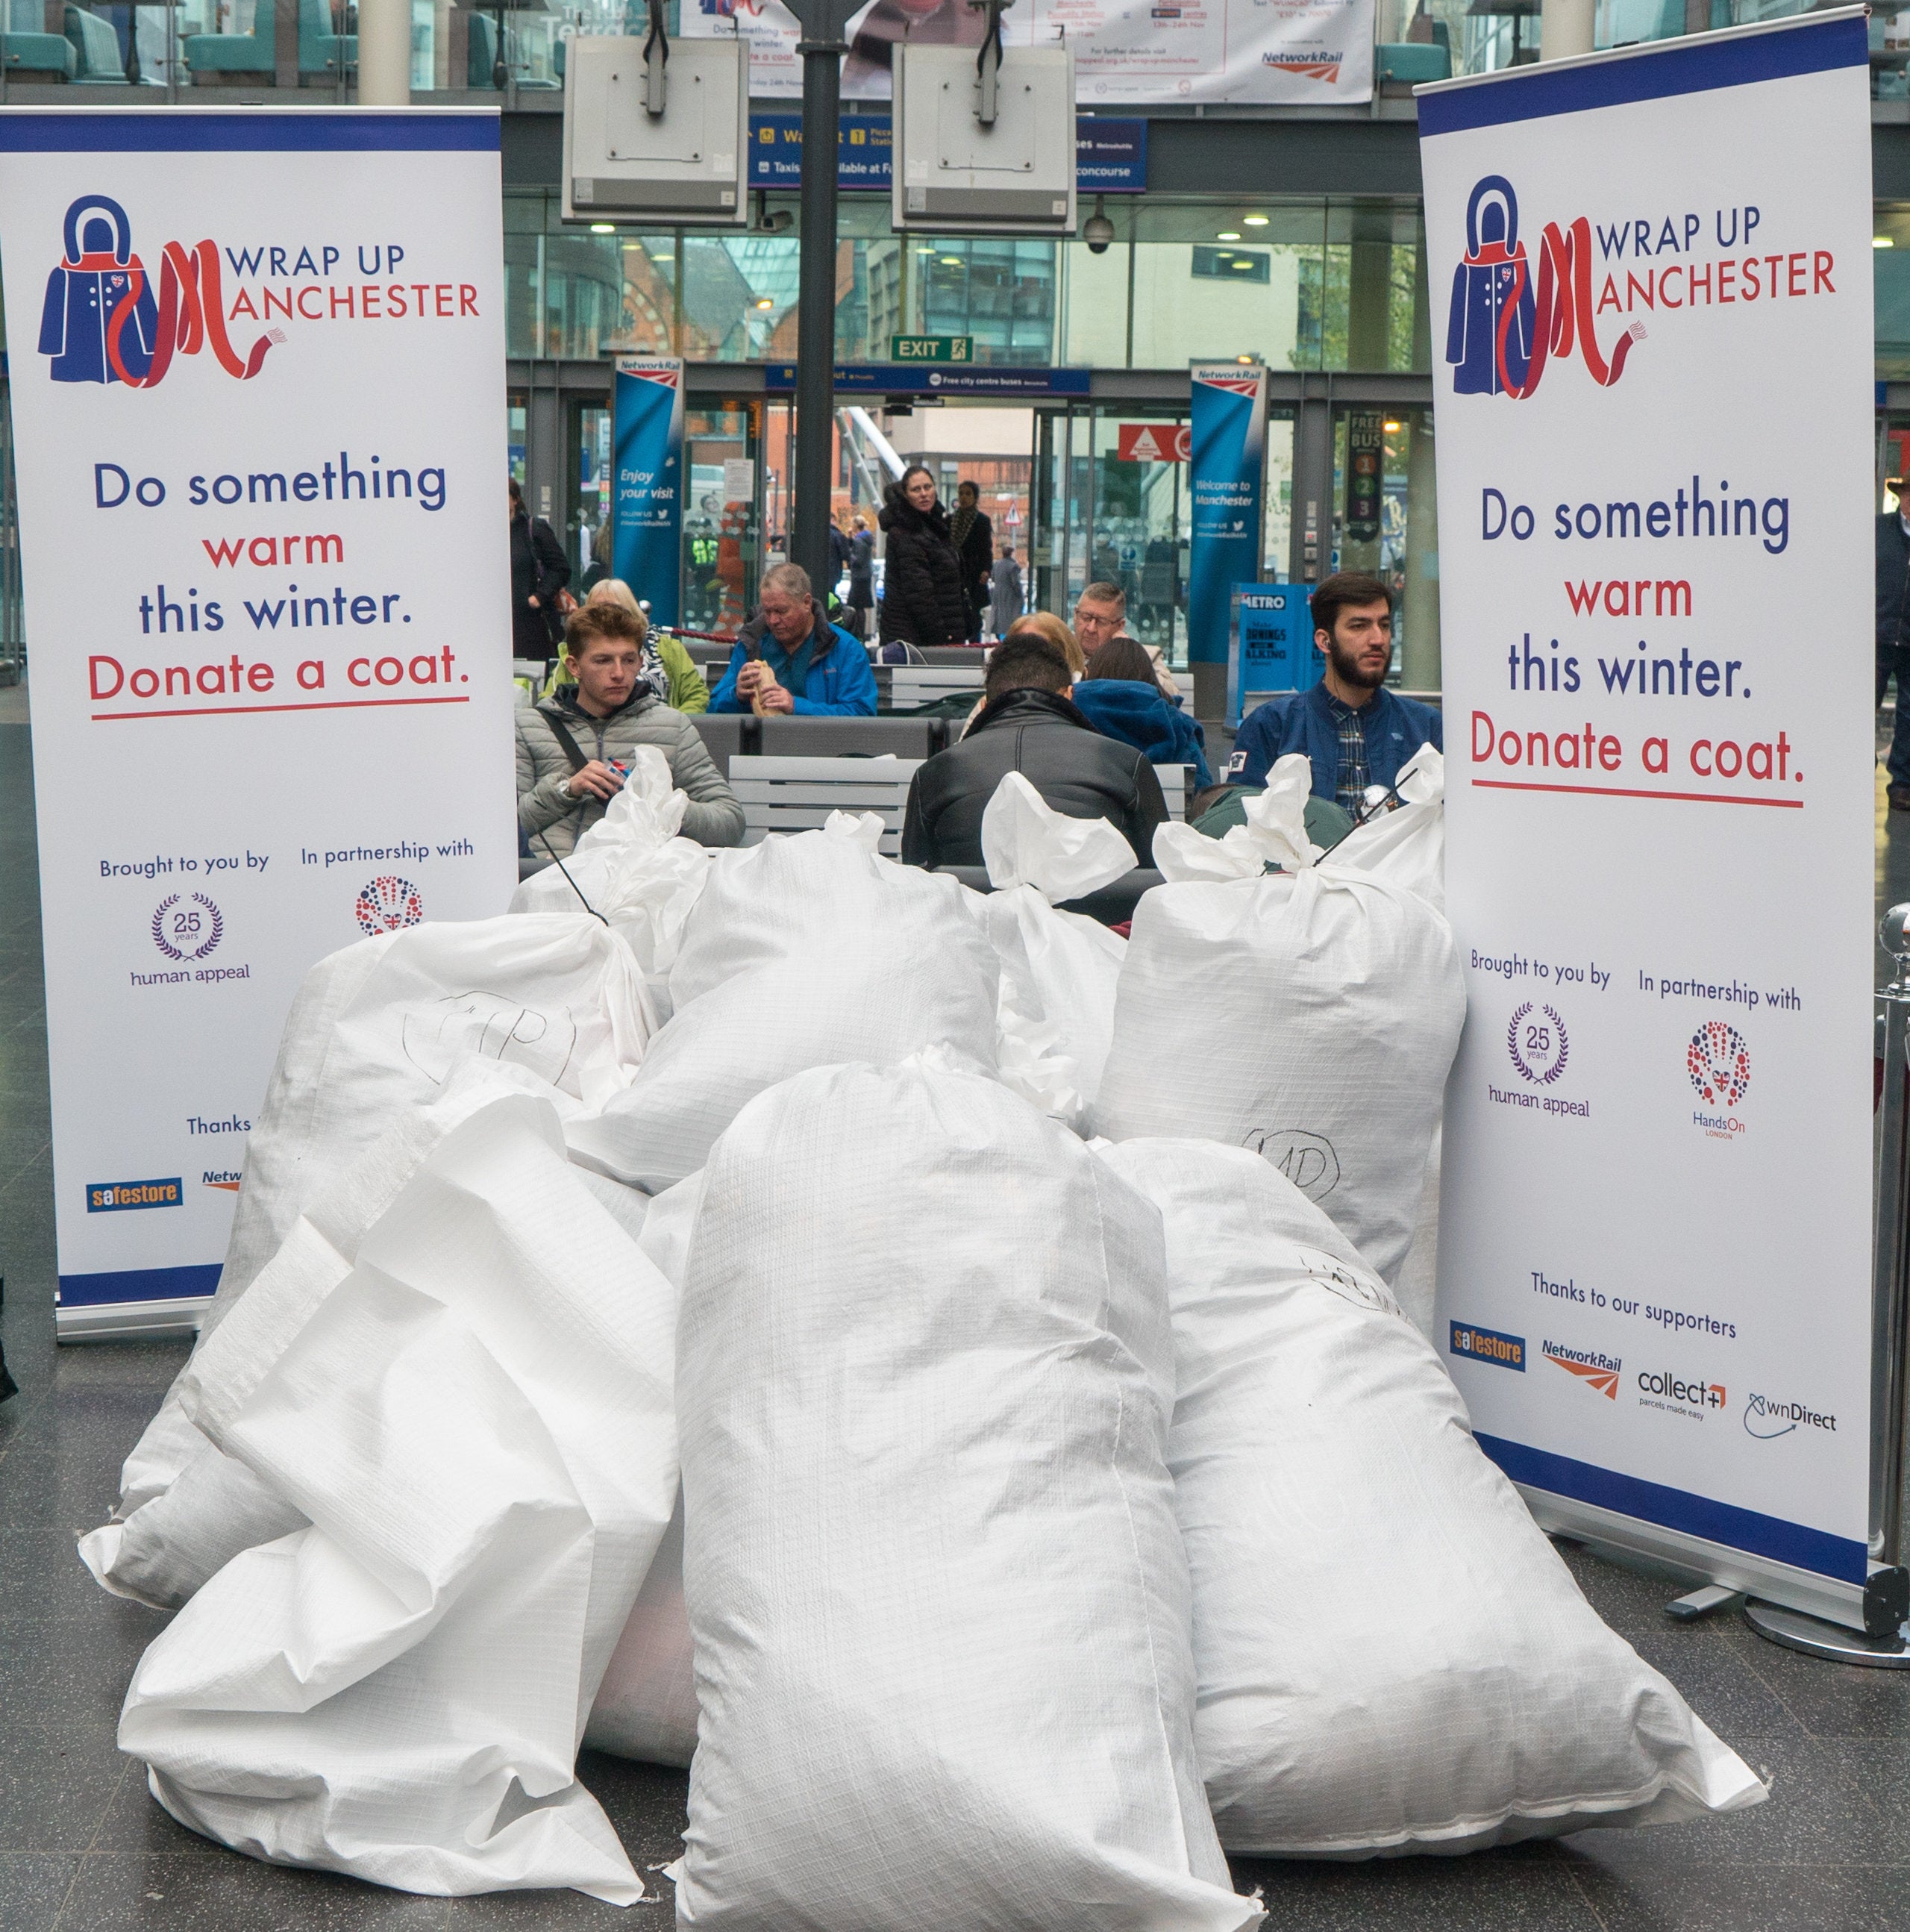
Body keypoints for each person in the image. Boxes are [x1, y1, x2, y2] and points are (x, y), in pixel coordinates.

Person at [902, 630, 1168, 869]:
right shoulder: (1125, 763)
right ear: (1069, 697)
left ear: (985, 705)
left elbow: (917, 877)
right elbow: (1159, 870)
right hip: (1093, 919)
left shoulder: (935, 773)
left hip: (974, 918)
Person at [517, 600, 745, 861]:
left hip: (637, 879)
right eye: (603, 661)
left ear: (640, 662)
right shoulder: (530, 726)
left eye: (628, 660)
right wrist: (566, 790)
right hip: (549, 878)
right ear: (574, 666)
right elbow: (504, 831)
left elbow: (730, 823)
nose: (618, 673)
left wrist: (663, 806)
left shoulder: (672, 727)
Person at [1229, 570, 1441, 812]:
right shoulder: (1272, 726)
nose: (1378, 639)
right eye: (1359, 626)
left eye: (1384, 625)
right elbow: (1239, 820)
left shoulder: (1427, 728)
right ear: (1324, 641)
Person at [709, 561, 879, 716]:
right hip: (761, 745)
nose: (773, 621)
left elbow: (862, 715)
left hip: (824, 748)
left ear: (806, 603)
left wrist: (796, 706)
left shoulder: (844, 648)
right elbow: (713, 709)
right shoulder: (751, 643)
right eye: (767, 612)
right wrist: (736, 695)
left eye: (782, 611)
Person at [539, 580, 711, 713]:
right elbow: (551, 699)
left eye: (629, 660)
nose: (618, 673)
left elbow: (696, 695)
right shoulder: (572, 650)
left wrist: (670, 727)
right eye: (598, 610)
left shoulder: (668, 647)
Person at [1069, 636, 1212, 789]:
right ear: (1151, 678)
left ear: (1088, 673)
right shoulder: (1179, 727)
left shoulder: (1069, 716)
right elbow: (1202, 790)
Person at [878, 465, 968, 653]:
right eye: (916, 490)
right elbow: (919, 594)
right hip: (916, 641)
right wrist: (943, 636)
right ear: (905, 494)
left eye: (928, 487)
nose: (924, 494)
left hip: (937, 635)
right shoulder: (904, 533)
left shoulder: (935, 526)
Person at [1072, 580, 1177, 700]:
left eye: (1102, 622)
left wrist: (1129, 657)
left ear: (1120, 625)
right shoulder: (1058, 648)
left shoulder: (1146, 656)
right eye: (1086, 618)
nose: (1091, 628)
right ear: (1076, 614)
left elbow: (1171, 695)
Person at [509, 478, 570, 664]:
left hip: (532, 624)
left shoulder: (533, 528)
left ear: (515, 499)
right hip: (495, 627)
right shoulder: (482, 533)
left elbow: (561, 568)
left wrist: (539, 597)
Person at [1879, 485, 1910, 810]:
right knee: (1860, 707)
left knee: (1909, 713)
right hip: (1877, 633)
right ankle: (1854, 769)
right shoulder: (1879, 530)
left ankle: (1901, 782)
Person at [951, 479, 995, 643]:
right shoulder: (951, 520)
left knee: (973, 616)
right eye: (961, 493)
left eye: (968, 494)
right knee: (957, 616)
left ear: (975, 497)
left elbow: (986, 549)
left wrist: (986, 571)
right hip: (955, 576)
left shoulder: (981, 521)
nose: (964, 497)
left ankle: (975, 651)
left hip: (974, 576)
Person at [988, 540, 1024, 638]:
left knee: (998, 615)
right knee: (1010, 615)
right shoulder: (1013, 566)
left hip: (998, 593)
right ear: (1011, 554)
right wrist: (1019, 594)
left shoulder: (997, 564)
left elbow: (993, 578)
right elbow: (1015, 582)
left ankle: (998, 634)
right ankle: (1011, 634)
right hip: (1010, 594)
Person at [847, 514, 875, 635]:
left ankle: (859, 633)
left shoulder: (859, 541)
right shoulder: (866, 538)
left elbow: (857, 559)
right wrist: (850, 539)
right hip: (866, 576)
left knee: (857, 606)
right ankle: (861, 633)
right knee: (861, 607)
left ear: (855, 526)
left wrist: (849, 555)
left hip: (858, 577)